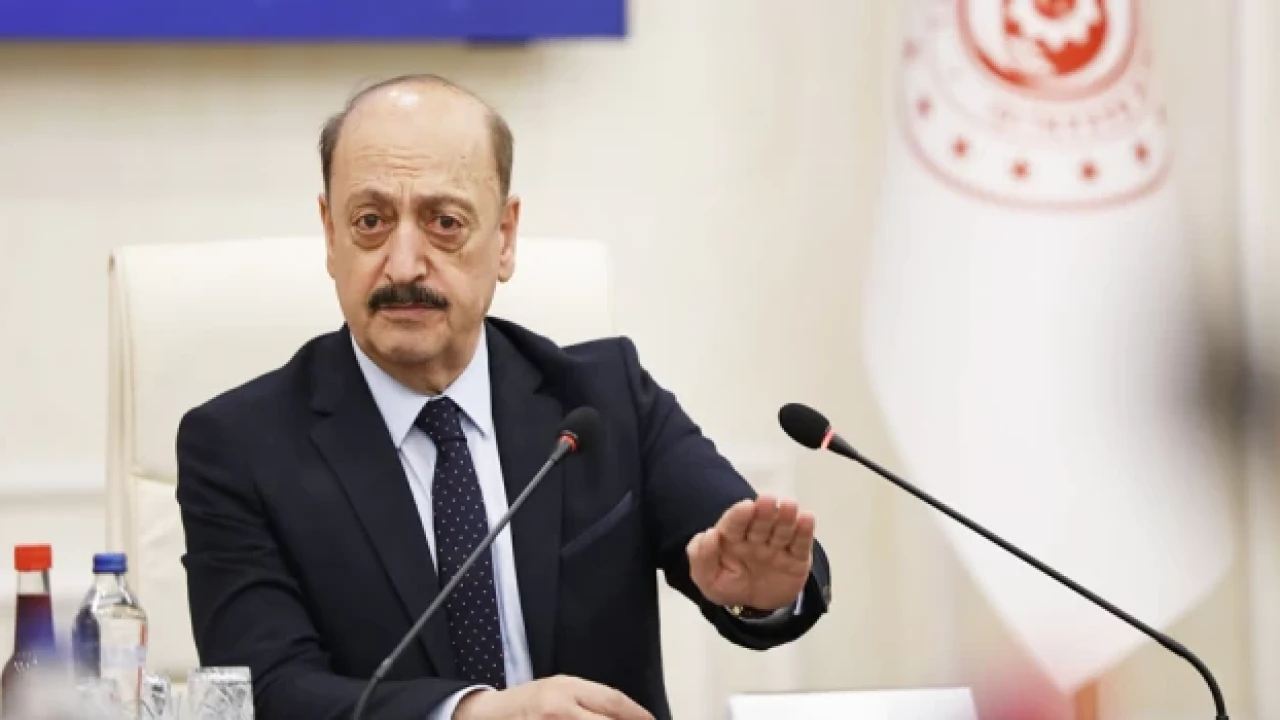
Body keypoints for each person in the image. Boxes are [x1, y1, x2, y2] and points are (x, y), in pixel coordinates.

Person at [175, 74, 832, 720]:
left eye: (445, 222)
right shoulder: (238, 447)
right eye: (370, 222)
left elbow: (750, 553)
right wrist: (471, 715)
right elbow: (265, 692)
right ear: (330, 234)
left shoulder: (606, 401)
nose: (403, 265)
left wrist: (764, 595)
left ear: (506, 237)